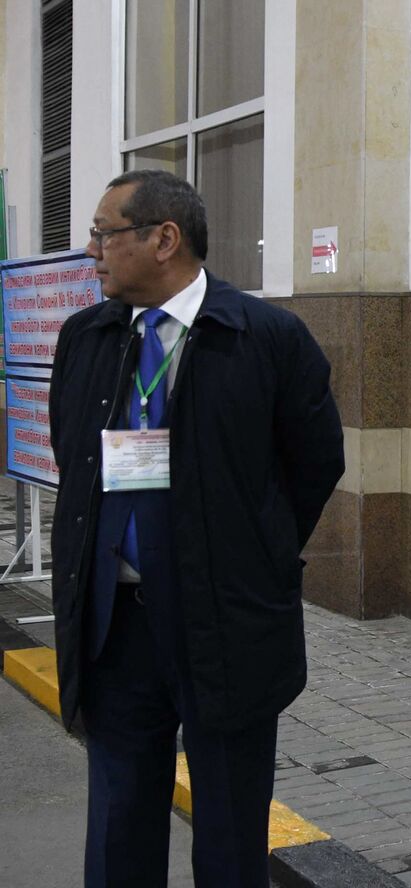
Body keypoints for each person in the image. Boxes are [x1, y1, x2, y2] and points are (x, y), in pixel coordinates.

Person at [50, 169, 344, 887]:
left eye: (104, 233)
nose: (91, 250)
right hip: (115, 627)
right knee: (120, 823)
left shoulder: (265, 337)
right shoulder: (85, 337)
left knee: (231, 831)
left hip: (226, 626)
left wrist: (254, 555)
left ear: (164, 238)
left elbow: (314, 467)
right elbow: (75, 459)